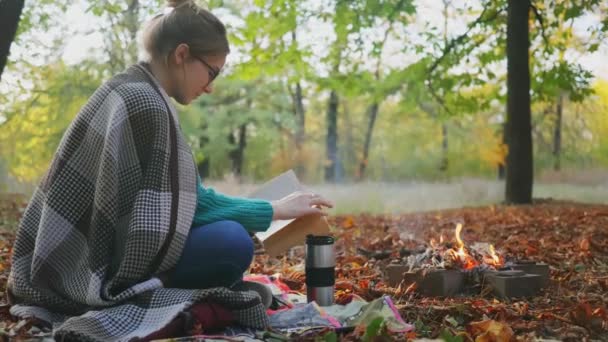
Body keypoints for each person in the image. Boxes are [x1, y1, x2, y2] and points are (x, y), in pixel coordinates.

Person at [7, 0, 333, 340]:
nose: (210, 86)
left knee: (230, 236)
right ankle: (176, 301)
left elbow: (185, 199)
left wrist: (262, 211)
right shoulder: (147, 103)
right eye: (212, 71)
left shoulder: (128, 86)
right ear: (181, 55)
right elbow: (192, 208)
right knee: (232, 243)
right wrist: (275, 209)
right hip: (94, 270)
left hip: (73, 260)